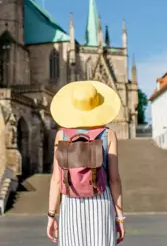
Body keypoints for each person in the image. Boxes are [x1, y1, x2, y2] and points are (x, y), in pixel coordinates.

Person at [46, 80, 125, 245]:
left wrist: (52, 215)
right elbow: (114, 179)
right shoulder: (108, 134)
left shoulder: (62, 135)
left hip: (71, 201)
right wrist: (119, 218)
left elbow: (56, 179)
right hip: (101, 201)